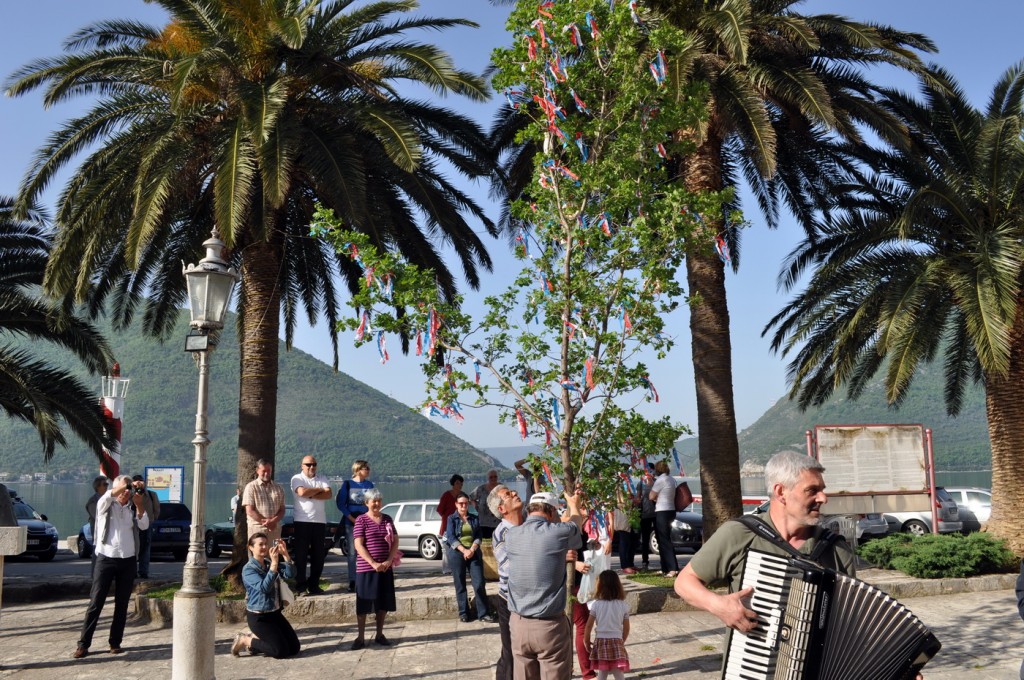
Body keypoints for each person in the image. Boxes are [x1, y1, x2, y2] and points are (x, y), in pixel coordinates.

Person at [673, 451, 857, 671]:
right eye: (812, 490)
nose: (823, 498)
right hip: (752, 668)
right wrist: (718, 605)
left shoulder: (836, 550)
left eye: (822, 490)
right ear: (781, 492)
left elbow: (851, 625)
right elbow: (684, 582)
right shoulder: (739, 534)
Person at [505, 489, 584, 680]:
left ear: (529, 510)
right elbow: (576, 524)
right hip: (549, 625)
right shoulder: (557, 532)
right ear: (551, 512)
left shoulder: (511, 535)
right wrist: (573, 503)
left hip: (518, 623)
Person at [72, 474, 151, 659]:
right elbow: (109, 494)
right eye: (123, 489)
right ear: (116, 489)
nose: (125, 493)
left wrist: (139, 503)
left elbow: (145, 525)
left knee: (122, 604)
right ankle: (83, 644)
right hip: (106, 559)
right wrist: (126, 485)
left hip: (128, 560)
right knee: (96, 602)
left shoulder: (133, 508)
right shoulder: (105, 505)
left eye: (128, 490)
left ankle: (115, 643)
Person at [231, 532, 301, 658]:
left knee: (294, 648)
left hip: (274, 613)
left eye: (266, 544)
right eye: (260, 544)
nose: (264, 547)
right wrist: (274, 566)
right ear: (251, 548)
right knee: (280, 651)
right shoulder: (248, 569)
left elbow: (290, 574)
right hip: (259, 617)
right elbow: (264, 588)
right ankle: (245, 640)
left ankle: (256, 643)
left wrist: (285, 554)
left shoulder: (269, 563)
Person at [351, 488, 399, 650]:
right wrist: (373, 563)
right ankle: (361, 637)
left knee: (383, 602)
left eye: (379, 500)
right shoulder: (361, 520)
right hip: (366, 569)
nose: (377, 503)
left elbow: (395, 542)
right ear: (366, 503)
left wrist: (388, 560)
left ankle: (379, 634)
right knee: (363, 603)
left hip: (385, 568)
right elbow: (358, 545)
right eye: (373, 501)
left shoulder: (387, 519)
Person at [489, 484, 524, 680]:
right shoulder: (503, 534)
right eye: (509, 495)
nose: (515, 494)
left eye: (513, 491)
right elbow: (512, 572)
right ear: (501, 509)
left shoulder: (527, 525)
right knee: (511, 653)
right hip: (510, 600)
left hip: (528, 599)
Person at [444, 491, 493, 623]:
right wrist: (463, 550)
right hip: (457, 553)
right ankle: (464, 613)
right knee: (460, 584)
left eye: (466, 503)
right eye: (461, 503)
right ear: (456, 504)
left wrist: (471, 549)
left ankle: (483, 613)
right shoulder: (451, 519)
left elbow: (478, 536)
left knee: (479, 583)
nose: (463, 506)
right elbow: (451, 537)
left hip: (473, 552)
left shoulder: (474, 518)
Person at [290, 455, 332, 596]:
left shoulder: (322, 478)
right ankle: (301, 586)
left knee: (318, 557)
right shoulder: (297, 478)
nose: (311, 467)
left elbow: (329, 494)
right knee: (301, 556)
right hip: (302, 521)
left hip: (320, 522)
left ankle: (314, 585)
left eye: (314, 464)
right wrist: (319, 490)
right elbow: (301, 492)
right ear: (302, 465)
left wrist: (310, 493)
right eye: (308, 464)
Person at [584, 570, 631, 680]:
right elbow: (627, 627)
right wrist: (621, 640)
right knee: (618, 672)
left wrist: (586, 641)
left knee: (602, 671)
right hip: (616, 640)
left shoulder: (596, 605)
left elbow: (588, 626)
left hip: (601, 641)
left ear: (599, 586)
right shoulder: (623, 605)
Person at [338, 459, 373, 592]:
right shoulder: (347, 484)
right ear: (358, 470)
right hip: (351, 522)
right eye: (366, 468)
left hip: (366, 521)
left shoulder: (369, 484)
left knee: (367, 549)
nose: (368, 471)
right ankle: (353, 580)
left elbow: (373, 501)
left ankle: (367, 578)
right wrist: (351, 518)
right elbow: (341, 504)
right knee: (352, 552)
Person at [243, 458, 286, 543]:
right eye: (264, 471)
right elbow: (250, 511)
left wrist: (273, 521)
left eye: (269, 470)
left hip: (274, 531)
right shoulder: (251, 487)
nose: (266, 473)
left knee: (274, 555)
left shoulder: (279, 488)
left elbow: (282, 510)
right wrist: (267, 523)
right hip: (257, 530)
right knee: (256, 556)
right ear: (257, 471)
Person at [648, 461, 679, 577]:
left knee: (664, 540)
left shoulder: (661, 480)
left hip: (662, 511)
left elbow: (651, 496)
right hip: (671, 510)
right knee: (662, 540)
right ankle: (665, 567)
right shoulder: (671, 479)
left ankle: (672, 568)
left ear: (658, 469)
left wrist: (652, 486)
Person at [131, 474, 161, 579]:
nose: (139, 483)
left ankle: (143, 571)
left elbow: (157, 509)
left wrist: (152, 519)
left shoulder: (152, 495)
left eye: (141, 481)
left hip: (147, 524)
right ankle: (132, 571)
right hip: (132, 525)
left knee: (145, 548)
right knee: (132, 548)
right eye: (136, 481)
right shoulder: (130, 494)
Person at [437, 474, 464, 575]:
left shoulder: (463, 496)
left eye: (461, 483)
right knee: (446, 548)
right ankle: (447, 569)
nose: (460, 485)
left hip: (460, 526)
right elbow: (440, 510)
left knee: (460, 547)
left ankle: (459, 568)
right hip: (446, 527)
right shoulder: (446, 495)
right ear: (453, 484)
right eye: (457, 483)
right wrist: (448, 518)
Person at [634, 468, 656, 571]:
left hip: (656, 513)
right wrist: (637, 500)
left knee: (659, 537)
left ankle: (664, 562)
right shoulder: (640, 484)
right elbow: (638, 498)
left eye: (651, 471)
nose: (650, 473)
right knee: (645, 539)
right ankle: (645, 561)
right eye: (648, 471)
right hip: (645, 514)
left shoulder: (656, 483)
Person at [85, 475, 108, 570]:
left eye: (107, 484)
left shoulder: (108, 499)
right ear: (98, 487)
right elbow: (97, 516)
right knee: (97, 552)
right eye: (105, 484)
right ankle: (95, 574)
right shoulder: (92, 501)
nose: (107, 486)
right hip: (98, 533)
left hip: (108, 531)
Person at [470, 469, 501, 539]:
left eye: (495, 477)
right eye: (491, 477)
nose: (493, 478)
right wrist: (476, 507)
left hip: (498, 523)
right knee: (484, 544)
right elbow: (471, 498)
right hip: (483, 522)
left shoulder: (502, 488)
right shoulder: (481, 489)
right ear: (487, 478)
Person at [613, 491, 637, 574]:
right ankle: (625, 566)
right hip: (622, 518)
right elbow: (619, 501)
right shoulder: (619, 484)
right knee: (624, 543)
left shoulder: (628, 483)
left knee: (631, 542)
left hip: (629, 517)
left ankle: (630, 563)